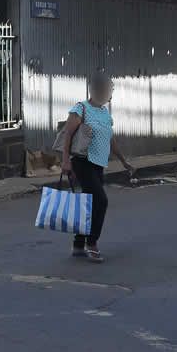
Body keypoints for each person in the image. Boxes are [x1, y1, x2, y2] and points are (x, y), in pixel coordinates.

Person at [60, 71, 135, 263]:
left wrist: (123, 160)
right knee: (101, 200)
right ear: (95, 90)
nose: (110, 93)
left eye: (111, 90)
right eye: (107, 89)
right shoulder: (80, 109)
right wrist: (66, 160)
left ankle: (78, 244)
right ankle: (91, 243)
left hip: (98, 163)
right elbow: (67, 135)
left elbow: (111, 139)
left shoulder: (104, 113)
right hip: (82, 162)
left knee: (88, 203)